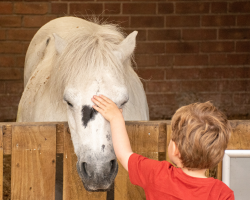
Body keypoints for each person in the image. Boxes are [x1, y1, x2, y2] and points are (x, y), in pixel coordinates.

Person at [91, 95, 234, 200]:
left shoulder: (158, 175)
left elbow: (124, 154)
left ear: (176, 150)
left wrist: (116, 118)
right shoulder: (222, 193)